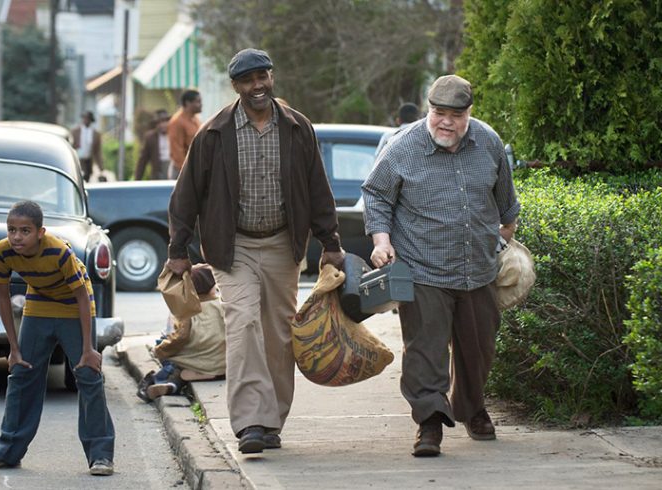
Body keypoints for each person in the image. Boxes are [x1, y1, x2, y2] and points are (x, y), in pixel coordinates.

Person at [166, 48, 345, 454]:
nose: (258, 86)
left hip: (284, 243)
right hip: (234, 246)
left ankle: (273, 419)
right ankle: (250, 423)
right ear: (236, 87)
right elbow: (186, 195)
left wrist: (330, 243)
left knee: (279, 333)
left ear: (271, 77)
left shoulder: (298, 127)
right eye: (248, 80)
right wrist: (178, 250)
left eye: (263, 76)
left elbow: (318, 188)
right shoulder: (214, 134)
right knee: (243, 323)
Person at [362, 75, 520, 457]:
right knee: (425, 351)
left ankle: (471, 408)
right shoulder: (403, 147)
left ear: (469, 113)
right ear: (428, 109)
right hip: (423, 268)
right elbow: (376, 196)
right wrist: (381, 241)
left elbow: (507, 203)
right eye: (438, 113)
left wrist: (502, 237)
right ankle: (429, 423)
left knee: (478, 349)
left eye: (455, 114)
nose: (445, 122)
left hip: (477, 268)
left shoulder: (488, 142)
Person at [0, 200, 116, 476]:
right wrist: (13, 349)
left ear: (40, 232)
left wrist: (88, 349)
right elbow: (2, 297)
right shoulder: (2, 252)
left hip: (76, 307)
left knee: (88, 376)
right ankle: (6, 451)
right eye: (12, 229)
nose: (16, 237)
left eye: (25, 231)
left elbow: (83, 297)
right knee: (21, 374)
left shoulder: (58, 251)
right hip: (38, 304)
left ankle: (101, 456)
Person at [138, 264, 226, 401]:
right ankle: (174, 384)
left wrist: (160, 350)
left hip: (196, 359)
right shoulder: (222, 305)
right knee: (184, 367)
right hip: (221, 362)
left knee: (165, 348)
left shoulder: (187, 310)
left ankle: (161, 380)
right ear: (212, 288)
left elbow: (181, 337)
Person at [166, 89, 202, 179]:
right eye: (198, 102)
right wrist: (187, 173)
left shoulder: (195, 119)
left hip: (194, 168)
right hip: (182, 171)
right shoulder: (177, 122)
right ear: (188, 103)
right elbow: (177, 151)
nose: (201, 104)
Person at [134, 109, 172, 180]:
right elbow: (143, 160)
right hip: (158, 172)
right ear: (156, 124)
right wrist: (137, 179)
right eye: (160, 122)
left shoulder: (175, 134)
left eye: (165, 121)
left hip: (173, 169)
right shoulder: (150, 137)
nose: (163, 125)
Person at [71, 111, 103, 182]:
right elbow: (71, 144)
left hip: (88, 159)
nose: (86, 120)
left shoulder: (95, 134)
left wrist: (100, 167)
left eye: (88, 119)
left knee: (87, 177)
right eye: (85, 118)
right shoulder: (75, 131)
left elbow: (97, 151)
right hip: (78, 158)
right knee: (79, 176)